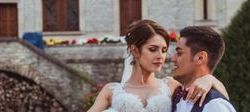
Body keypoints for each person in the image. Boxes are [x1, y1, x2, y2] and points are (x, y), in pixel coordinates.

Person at [87, 20, 228, 112]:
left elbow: (222, 101)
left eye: (164, 50)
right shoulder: (111, 90)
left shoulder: (172, 85)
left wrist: (209, 79)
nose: (161, 56)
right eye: (153, 49)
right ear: (135, 50)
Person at [171, 26, 236, 112]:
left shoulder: (215, 105)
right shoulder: (177, 98)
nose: (173, 59)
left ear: (200, 58)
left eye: (179, 53)